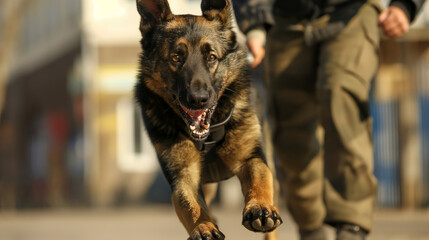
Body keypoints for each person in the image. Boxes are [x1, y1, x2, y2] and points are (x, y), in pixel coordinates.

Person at [233, 0, 426, 239]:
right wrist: (254, 23)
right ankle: (310, 227)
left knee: (341, 96)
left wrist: (405, 5)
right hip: (283, 18)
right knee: (293, 136)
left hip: (352, 12)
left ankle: (351, 225)